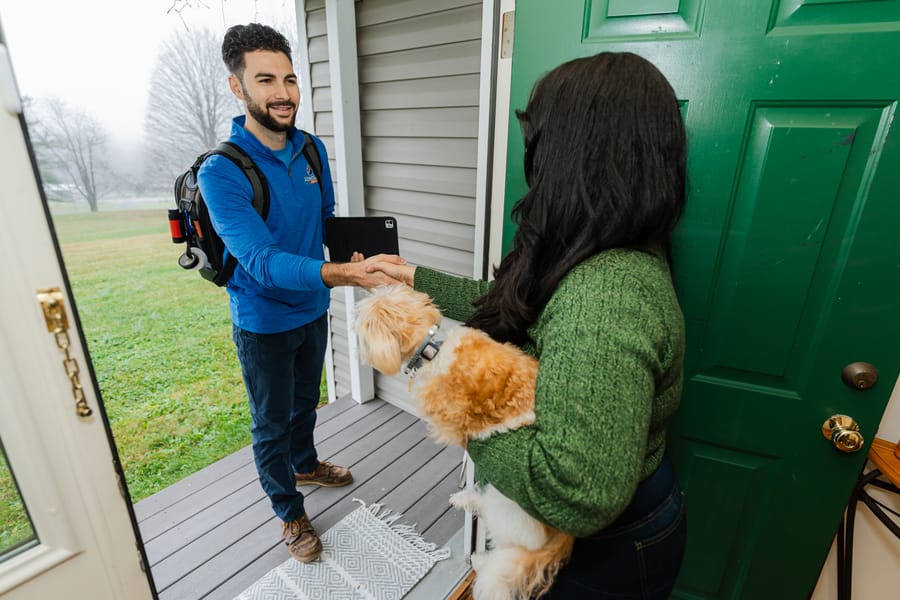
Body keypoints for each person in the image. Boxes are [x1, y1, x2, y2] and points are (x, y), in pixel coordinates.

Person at [367, 51, 688, 598]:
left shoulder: (607, 298)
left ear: (571, 155)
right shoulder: (602, 251)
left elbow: (575, 493)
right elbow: (527, 310)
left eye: (538, 141)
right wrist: (410, 278)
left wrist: (466, 420)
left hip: (606, 550)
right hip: (625, 525)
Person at [198, 23, 403, 563]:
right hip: (263, 319)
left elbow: (326, 221)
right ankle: (290, 512)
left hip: (312, 307)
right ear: (237, 87)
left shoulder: (310, 149)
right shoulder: (221, 172)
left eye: (289, 79)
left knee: (305, 403)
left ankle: (306, 463)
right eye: (266, 80)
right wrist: (341, 276)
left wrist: (354, 255)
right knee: (270, 422)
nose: (284, 92)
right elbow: (261, 262)